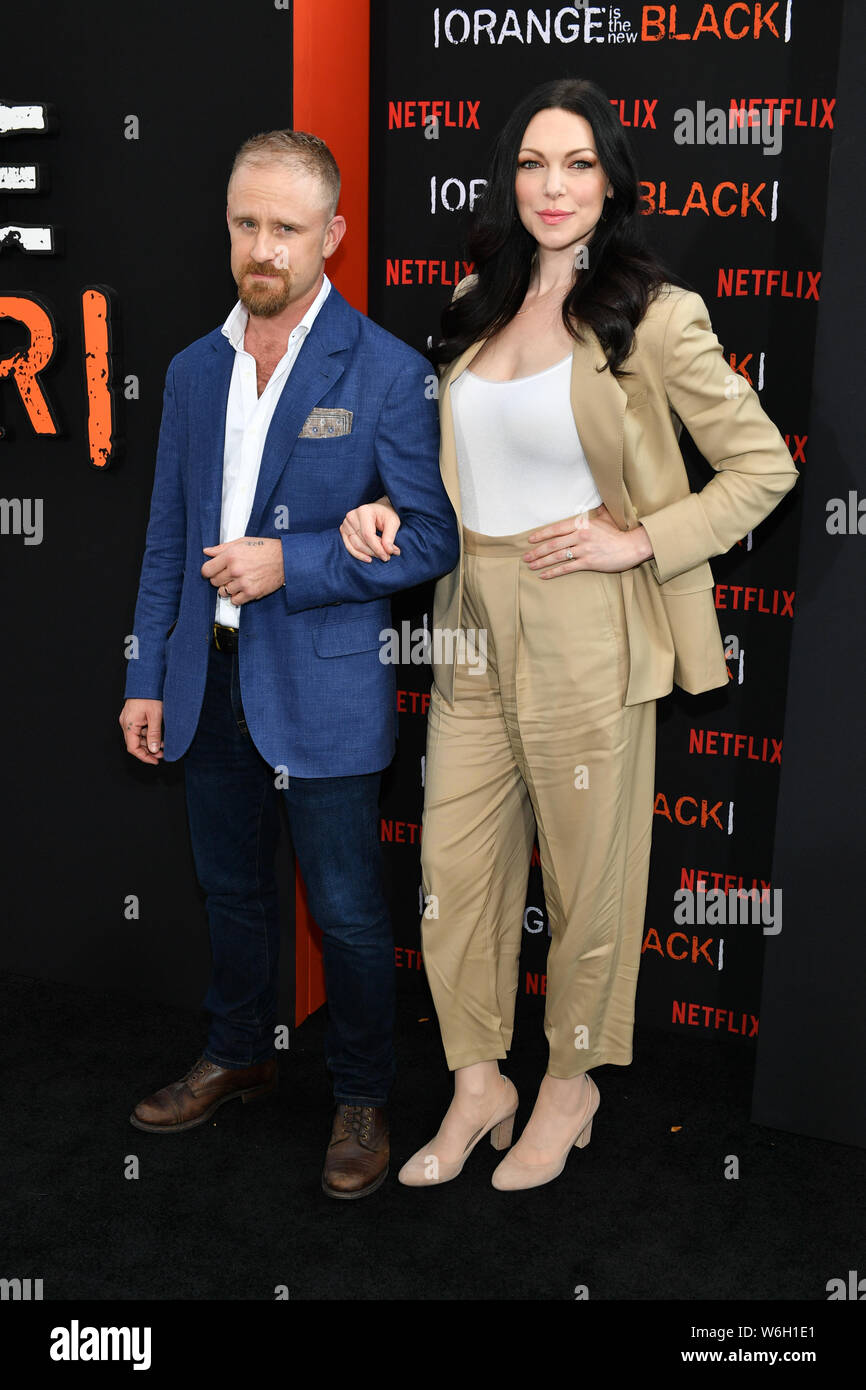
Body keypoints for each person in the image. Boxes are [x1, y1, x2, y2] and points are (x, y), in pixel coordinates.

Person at [339, 79, 798, 1191]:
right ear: (510, 175)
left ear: (610, 180)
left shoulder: (651, 311)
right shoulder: (469, 301)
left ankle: (568, 1084)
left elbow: (762, 467)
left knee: (589, 879)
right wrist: (389, 510)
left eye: (578, 164)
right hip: (466, 620)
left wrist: (638, 541)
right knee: (452, 869)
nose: (553, 186)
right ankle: (477, 1077)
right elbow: (451, 475)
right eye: (535, 163)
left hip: (584, 623)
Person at [118, 129, 459, 1200]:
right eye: (246, 223)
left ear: (332, 235)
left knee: (349, 912)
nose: (262, 246)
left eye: (286, 227)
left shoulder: (390, 371)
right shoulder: (190, 369)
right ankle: (237, 1050)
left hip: (323, 687)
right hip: (202, 678)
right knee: (229, 891)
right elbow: (168, 536)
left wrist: (292, 562)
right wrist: (145, 674)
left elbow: (430, 537)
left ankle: (360, 1096)